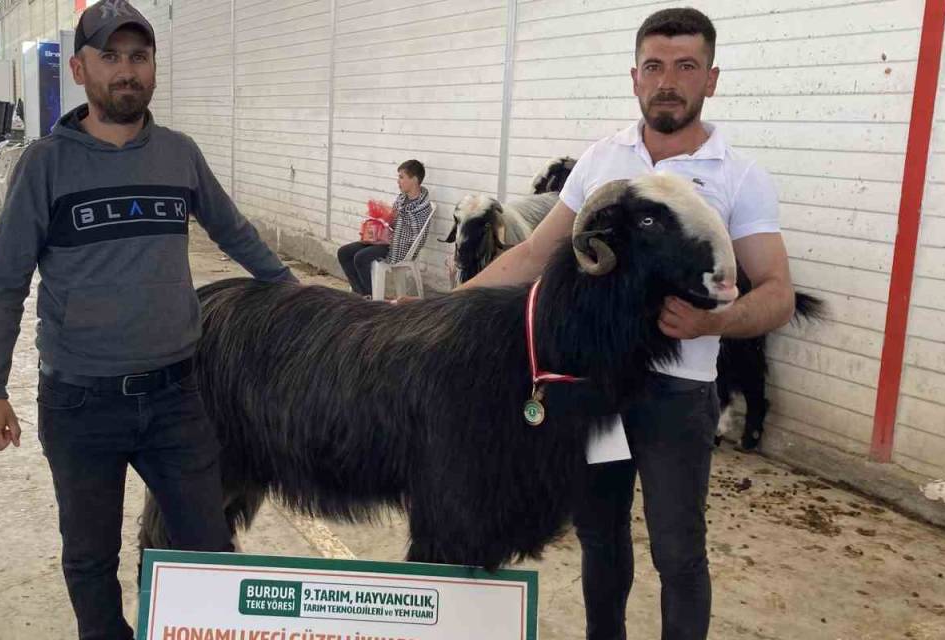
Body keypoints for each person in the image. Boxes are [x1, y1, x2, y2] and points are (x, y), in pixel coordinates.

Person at [459, 8, 796, 640]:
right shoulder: (601, 159)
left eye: (686, 67)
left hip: (678, 395)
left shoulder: (741, 175)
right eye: (654, 67)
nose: (668, 81)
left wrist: (712, 321)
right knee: (600, 537)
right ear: (635, 77)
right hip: (595, 387)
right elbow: (535, 254)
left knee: (678, 551)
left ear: (711, 79)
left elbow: (777, 293)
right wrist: (443, 307)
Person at [0, 2, 296, 638]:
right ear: (81, 68)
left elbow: (236, 233)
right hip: (80, 404)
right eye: (110, 57)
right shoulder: (46, 165)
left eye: (138, 57)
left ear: (153, 68)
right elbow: (3, 281)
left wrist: (303, 298)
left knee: (207, 553)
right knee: (90, 560)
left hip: (177, 397)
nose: (127, 71)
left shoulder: (179, 155)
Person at [337, 159, 432, 297]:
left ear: (415, 179)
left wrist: (397, 217)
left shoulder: (423, 206)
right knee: (344, 252)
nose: (398, 181)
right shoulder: (401, 199)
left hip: (400, 247)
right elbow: (392, 224)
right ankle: (360, 293)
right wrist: (375, 227)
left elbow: (416, 234)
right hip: (388, 241)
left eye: (401, 177)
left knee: (361, 257)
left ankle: (369, 297)